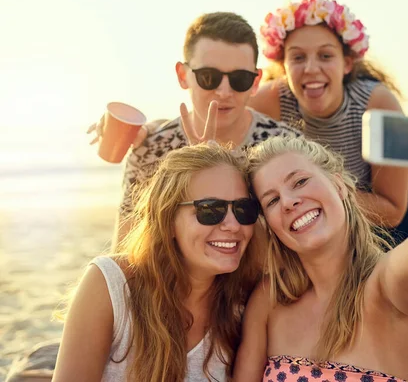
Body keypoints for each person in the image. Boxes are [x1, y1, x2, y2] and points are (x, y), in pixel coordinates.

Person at [233, 109, 408, 381]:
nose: (288, 201)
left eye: (300, 181)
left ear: (339, 185)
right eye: (272, 200)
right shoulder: (269, 299)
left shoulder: (387, 288)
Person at [87, 12, 301, 248]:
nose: (223, 91)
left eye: (239, 78)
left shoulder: (286, 147)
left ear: (255, 81)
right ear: (182, 75)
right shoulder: (151, 151)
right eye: (209, 77)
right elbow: (126, 251)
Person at [53, 143, 263, 381]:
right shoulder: (112, 285)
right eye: (210, 210)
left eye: (243, 209)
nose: (233, 225)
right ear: (168, 219)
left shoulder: (244, 306)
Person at [248, 0, 408, 245]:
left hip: (386, 231)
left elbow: (393, 210)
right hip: (314, 222)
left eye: (325, 56)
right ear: (283, 64)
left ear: (346, 63)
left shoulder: (377, 104)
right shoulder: (268, 102)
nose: (311, 68)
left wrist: (321, 192)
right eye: (298, 57)